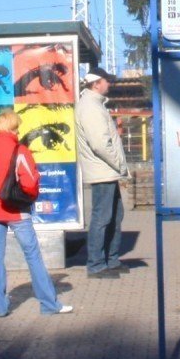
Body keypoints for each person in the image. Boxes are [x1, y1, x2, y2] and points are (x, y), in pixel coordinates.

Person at [0, 109, 72, 316]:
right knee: (33, 256)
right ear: (12, 128)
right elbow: (30, 182)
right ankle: (49, 304)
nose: (18, 131)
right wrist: (30, 196)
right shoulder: (20, 151)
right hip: (17, 211)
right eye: (17, 127)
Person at [75, 67, 129, 278]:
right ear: (96, 83)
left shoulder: (95, 104)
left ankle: (111, 260)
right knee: (103, 217)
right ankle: (96, 264)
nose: (110, 84)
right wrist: (118, 163)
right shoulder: (90, 107)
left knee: (115, 215)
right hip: (103, 170)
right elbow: (100, 144)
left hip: (106, 170)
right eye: (107, 80)